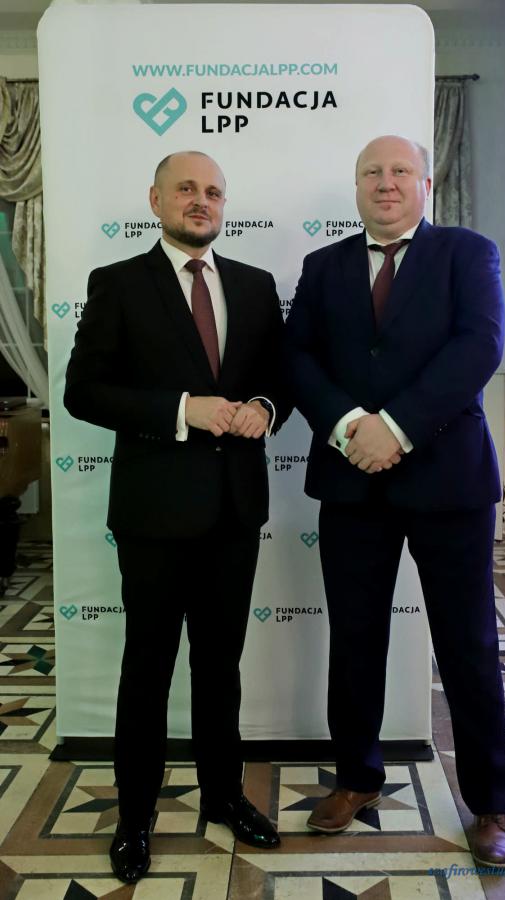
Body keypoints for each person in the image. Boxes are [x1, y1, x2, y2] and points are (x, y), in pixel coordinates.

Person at [285, 135, 505, 867]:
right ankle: (357, 777)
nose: (385, 183)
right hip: (353, 478)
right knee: (355, 639)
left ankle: (490, 803)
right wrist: (352, 426)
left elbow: (479, 347)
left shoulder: (468, 253)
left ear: (425, 183)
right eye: (371, 173)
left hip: (449, 483)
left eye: (399, 171)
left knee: (469, 643)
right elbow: (298, 358)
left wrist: (399, 427)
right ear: (357, 186)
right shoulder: (322, 267)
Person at [64, 151, 289, 883]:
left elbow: (277, 377)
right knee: (148, 668)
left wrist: (265, 406)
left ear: (224, 205)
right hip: (154, 515)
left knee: (220, 669)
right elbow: (83, 391)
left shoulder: (255, 285)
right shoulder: (119, 283)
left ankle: (224, 796)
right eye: (186, 189)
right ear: (155, 199)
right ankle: (135, 818)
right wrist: (182, 410)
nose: (201, 200)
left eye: (213, 191)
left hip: (234, 510)